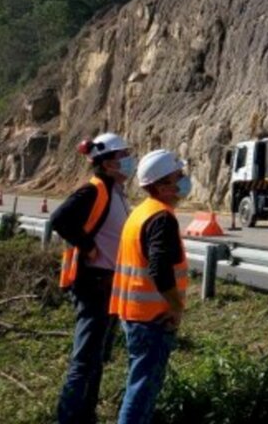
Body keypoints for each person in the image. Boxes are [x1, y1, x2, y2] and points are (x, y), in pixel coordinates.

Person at [52, 132, 136, 424]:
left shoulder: (115, 192)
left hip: (109, 284)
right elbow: (59, 220)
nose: (128, 160)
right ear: (108, 163)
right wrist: (88, 247)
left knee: (97, 357)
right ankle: (68, 417)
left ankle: (86, 415)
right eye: (123, 155)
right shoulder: (94, 190)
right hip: (93, 283)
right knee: (85, 358)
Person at [111, 149, 191, 424]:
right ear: (161, 185)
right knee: (142, 391)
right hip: (153, 318)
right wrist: (176, 307)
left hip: (135, 315)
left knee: (139, 385)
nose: (183, 181)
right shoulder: (161, 218)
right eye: (177, 176)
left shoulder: (141, 212)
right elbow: (159, 269)